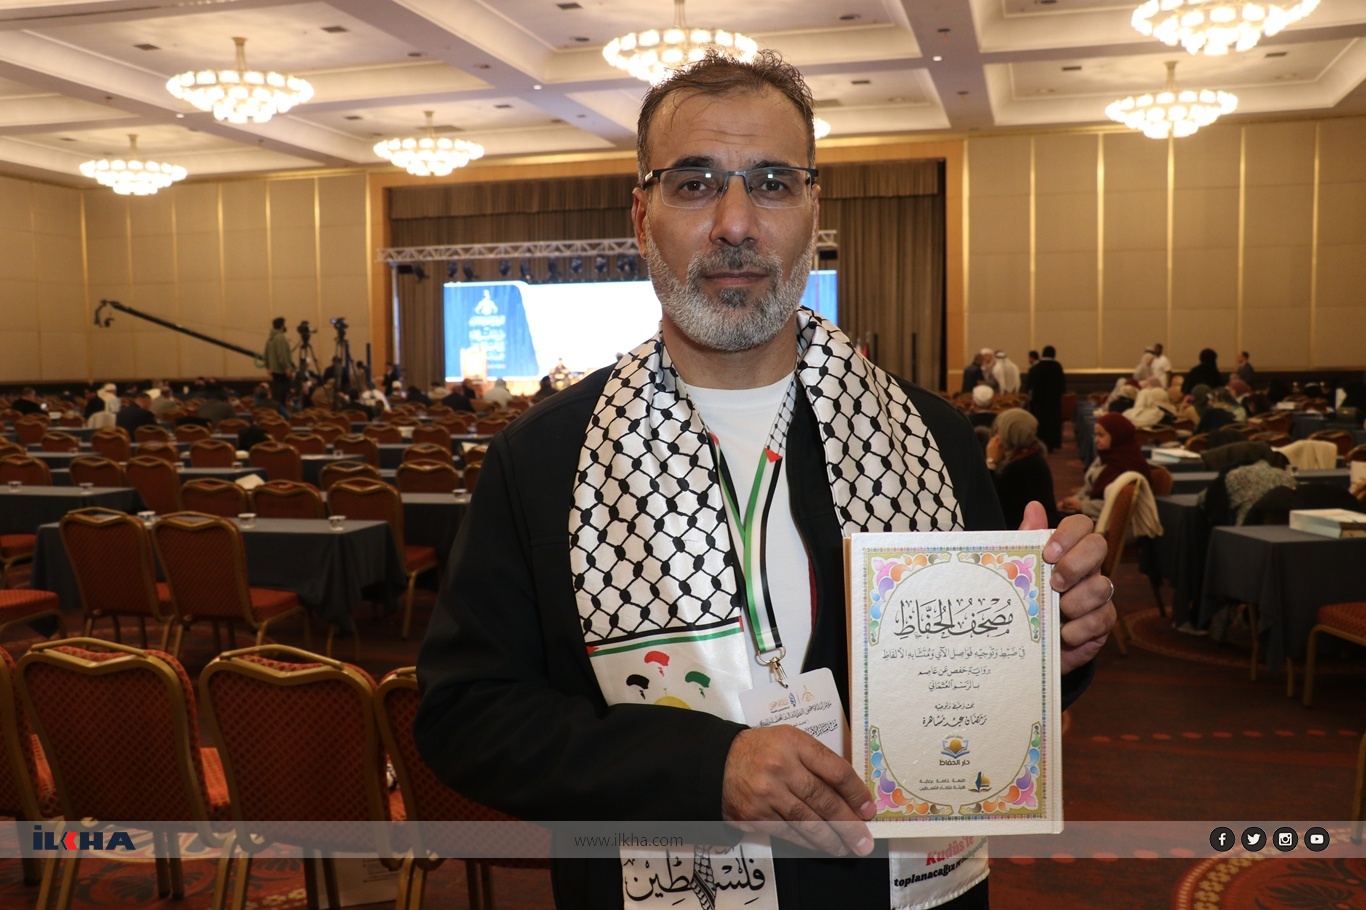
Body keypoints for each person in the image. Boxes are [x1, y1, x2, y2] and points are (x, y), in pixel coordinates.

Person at [416, 51, 1113, 910]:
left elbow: (983, 688)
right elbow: (466, 716)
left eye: (774, 183)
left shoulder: (929, 438)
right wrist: (704, 769)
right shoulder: (545, 460)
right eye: (695, 184)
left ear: (814, 211)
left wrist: (1052, 644)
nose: (736, 223)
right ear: (641, 217)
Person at [1059, 412, 1151, 520]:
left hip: (1107, 521)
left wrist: (1082, 505)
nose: (1096, 440)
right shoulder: (1105, 457)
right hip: (1092, 513)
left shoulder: (1130, 465)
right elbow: (1089, 488)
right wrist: (1074, 501)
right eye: (1096, 435)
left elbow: (1118, 508)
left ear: (1118, 436)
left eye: (1101, 435)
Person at [986, 409, 1059, 529]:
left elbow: (988, 501)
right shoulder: (1031, 456)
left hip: (1024, 531)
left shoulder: (1018, 468)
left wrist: (991, 462)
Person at [1026, 345, 1066, 452]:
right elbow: (1062, 386)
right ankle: (1052, 444)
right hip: (1053, 402)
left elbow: (1029, 385)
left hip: (1039, 403)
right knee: (1052, 423)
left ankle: (1040, 444)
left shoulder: (1036, 367)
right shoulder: (1057, 367)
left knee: (1040, 423)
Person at [263, 317, 294, 411]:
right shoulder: (280, 337)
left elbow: (266, 354)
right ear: (281, 326)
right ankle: (282, 414)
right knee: (282, 397)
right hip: (281, 371)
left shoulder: (270, 338)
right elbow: (282, 355)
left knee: (276, 396)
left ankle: (276, 414)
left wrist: (268, 367)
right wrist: (287, 367)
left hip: (274, 371)